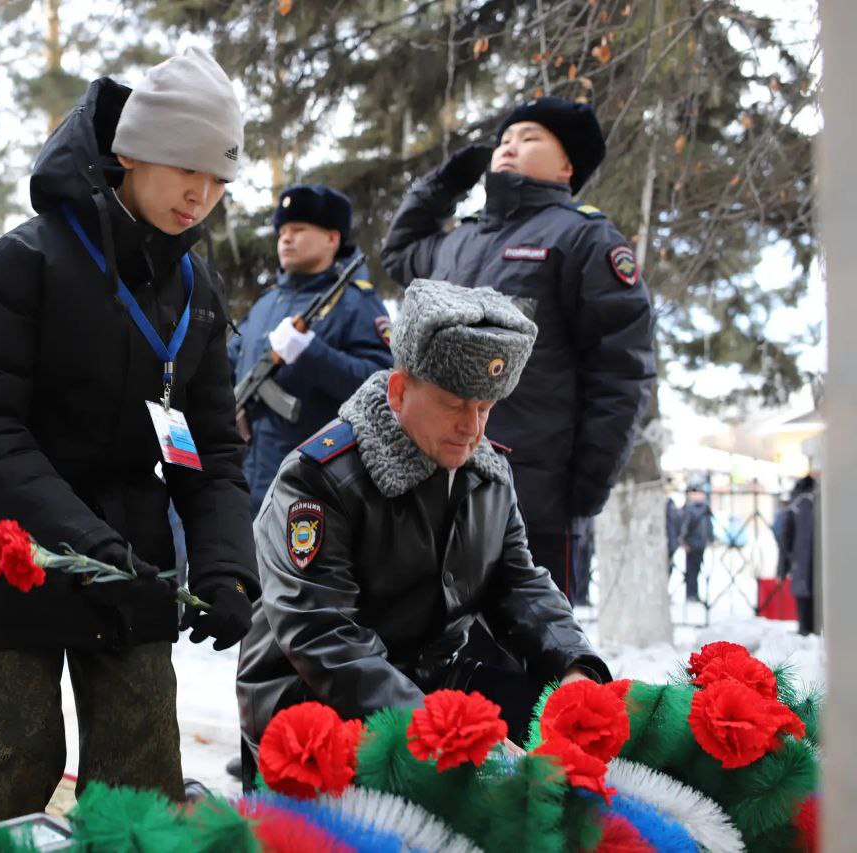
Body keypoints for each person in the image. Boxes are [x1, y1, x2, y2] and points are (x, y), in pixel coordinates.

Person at [0, 48, 260, 825]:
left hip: (131, 549)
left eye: (218, 178)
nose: (200, 194)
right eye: (185, 166)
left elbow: (209, 448)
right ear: (130, 153)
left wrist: (225, 568)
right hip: (9, 544)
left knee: (141, 769)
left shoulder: (196, 290)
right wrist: (83, 541)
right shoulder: (27, 261)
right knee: (25, 753)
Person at [236, 279, 610, 791]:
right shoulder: (318, 477)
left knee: (576, 749)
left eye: (485, 408)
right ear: (398, 390)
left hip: (431, 687)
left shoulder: (486, 471)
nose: (473, 428)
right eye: (455, 404)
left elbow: (519, 584)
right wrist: (445, 731)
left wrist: (573, 667)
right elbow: (323, 636)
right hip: (313, 707)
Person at [381, 97, 655, 601]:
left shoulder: (584, 239)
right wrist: (443, 185)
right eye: (505, 139)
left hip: (532, 491)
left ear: (568, 166)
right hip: (432, 479)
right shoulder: (459, 241)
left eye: (529, 138)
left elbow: (621, 370)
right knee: (428, 647)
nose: (509, 147)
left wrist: (587, 485)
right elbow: (398, 253)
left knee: (524, 654)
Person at [229, 184, 393, 514]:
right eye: (283, 232)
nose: (286, 239)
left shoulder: (356, 303)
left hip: (312, 482)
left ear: (333, 238)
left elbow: (381, 385)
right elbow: (228, 362)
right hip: (244, 478)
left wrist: (310, 353)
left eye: (299, 230)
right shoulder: (265, 304)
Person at [781, 474, 819, 635]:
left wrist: (783, 569)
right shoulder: (821, 501)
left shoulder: (795, 506)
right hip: (818, 568)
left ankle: (805, 632)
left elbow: (785, 538)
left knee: (805, 611)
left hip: (801, 567)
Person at [678, 485, 712, 602]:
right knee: (691, 570)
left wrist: (709, 539)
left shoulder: (705, 509)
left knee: (697, 570)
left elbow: (708, 526)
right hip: (691, 543)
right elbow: (684, 527)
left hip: (700, 543)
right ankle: (690, 594)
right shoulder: (688, 509)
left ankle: (694, 593)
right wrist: (684, 541)